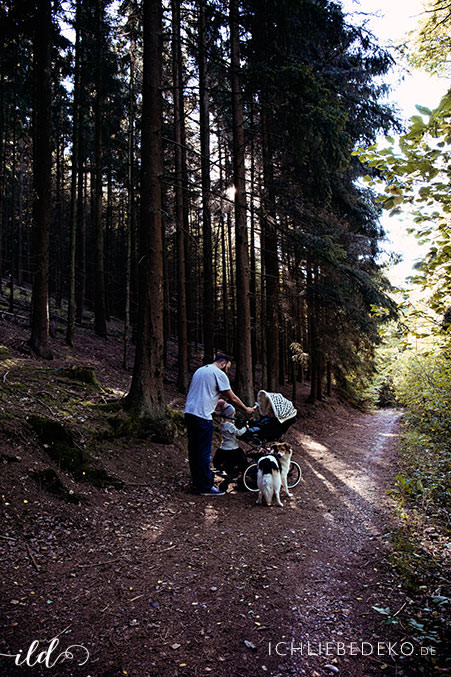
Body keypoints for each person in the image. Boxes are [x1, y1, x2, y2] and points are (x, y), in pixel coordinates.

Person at [184, 353, 254, 496]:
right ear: (223, 363)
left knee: (194, 451)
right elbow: (232, 398)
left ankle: (197, 483)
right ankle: (205, 487)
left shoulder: (201, 370)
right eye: (228, 367)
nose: (227, 370)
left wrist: (213, 411)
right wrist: (246, 409)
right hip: (202, 418)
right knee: (203, 453)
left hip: (190, 414)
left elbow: (201, 394)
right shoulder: (218, 373)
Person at [212, 404, 248, 481]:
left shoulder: (222, 424)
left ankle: (220, 471)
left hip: (223, 447)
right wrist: (245, 428)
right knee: (242, 460)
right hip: (232, 448)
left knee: (219, 462)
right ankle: (238, 473)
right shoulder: (230, 426)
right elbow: (238, 433)